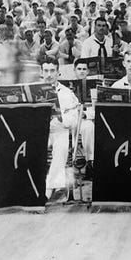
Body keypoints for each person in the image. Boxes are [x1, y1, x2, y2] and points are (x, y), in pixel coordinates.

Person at [41, 58, 80, 200]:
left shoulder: (66, 93)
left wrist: (62, 118)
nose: (49, 74)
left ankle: (48, 190)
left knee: (61, 147)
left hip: (59, 130)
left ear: (58, 73)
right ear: (41, 72)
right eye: (46, 71)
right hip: (39, 131)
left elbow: (74, 119)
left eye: (52, 71)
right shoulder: (34, 91)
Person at [71, 58, 96, 180]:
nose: (81, 71)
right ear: (74, 70)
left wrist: (86, 114)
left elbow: (97, 109)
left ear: (88, 71)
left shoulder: (94, 86)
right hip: (71, 118)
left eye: (84, 69)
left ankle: (90, 162)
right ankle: (71, 162)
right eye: (79, 69)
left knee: (89, 127)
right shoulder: (67, 88)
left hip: (85, 118)